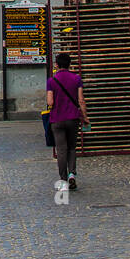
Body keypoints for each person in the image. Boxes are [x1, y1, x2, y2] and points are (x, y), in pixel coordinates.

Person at [46, 52, 90, 194]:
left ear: (57, 65)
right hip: (72, 118)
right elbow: (81, 100)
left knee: (61, 150)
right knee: (72, 148)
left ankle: (63, 179)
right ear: (69, 64)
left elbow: (50, 102)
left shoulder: (51, 81)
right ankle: (72, 174)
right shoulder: (76, 79)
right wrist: (85, 117)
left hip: (57, 120)